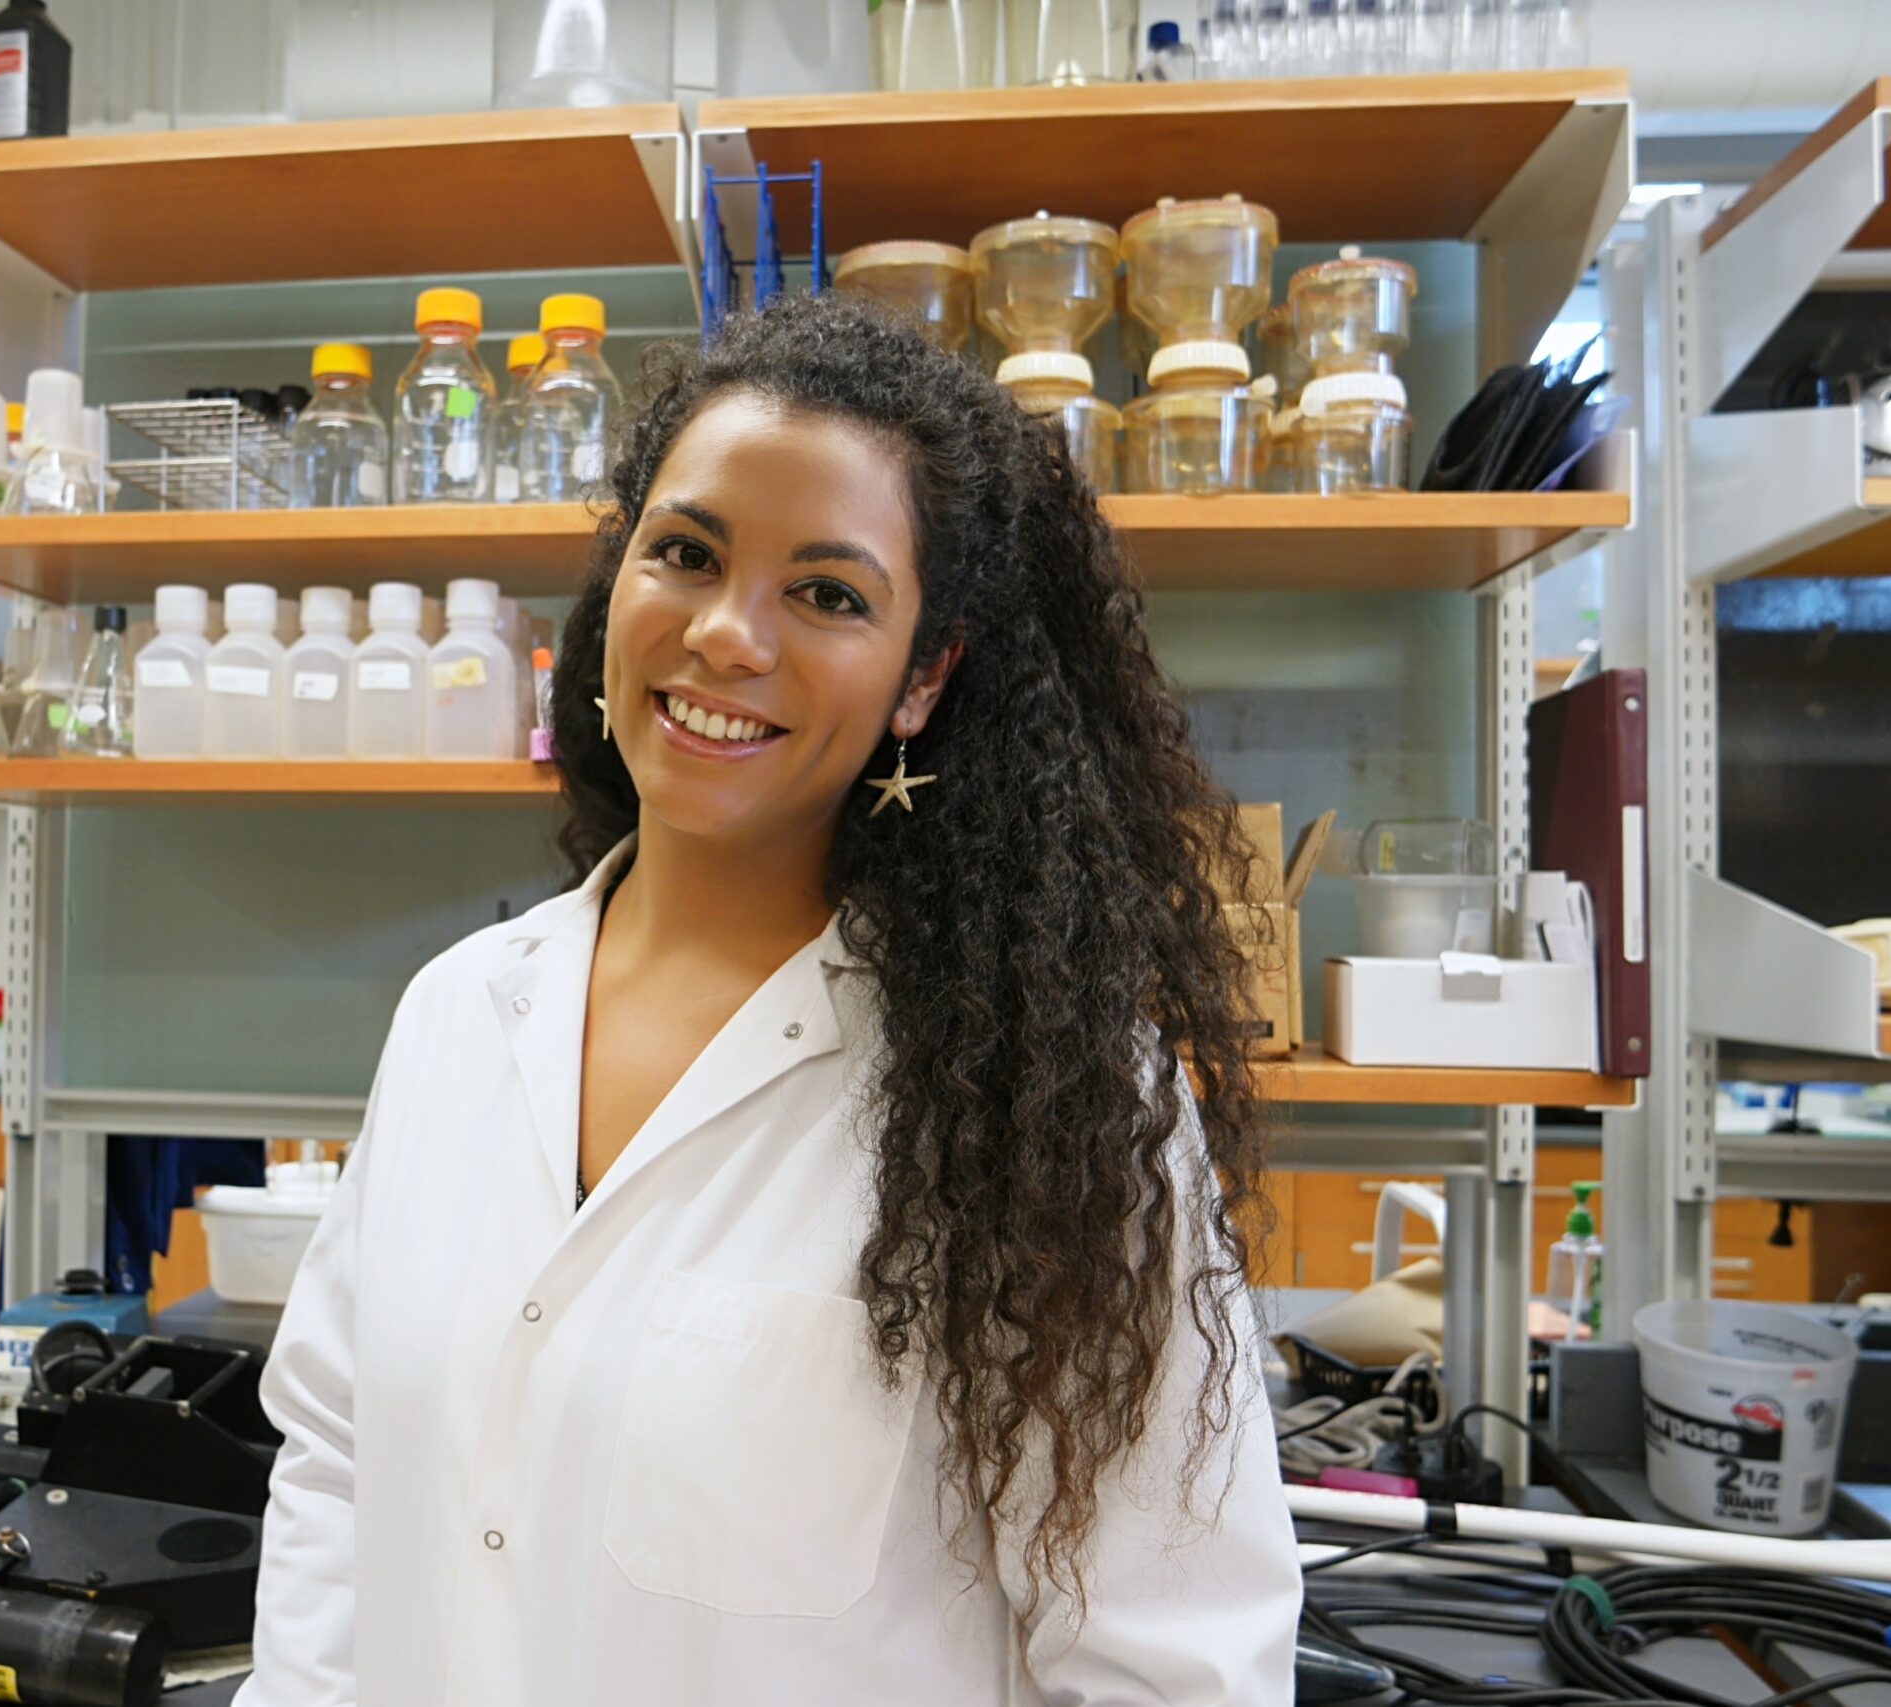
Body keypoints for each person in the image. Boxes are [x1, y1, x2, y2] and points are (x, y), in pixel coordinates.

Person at [241, 292, 1300, 1706]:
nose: (728, 637)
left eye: (828, 593)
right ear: (618, 580)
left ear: (925, 678)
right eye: (684, 554)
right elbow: (336, 1464)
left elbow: (1174, 1663)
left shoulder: (1049, 1100)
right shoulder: (456, 1014)